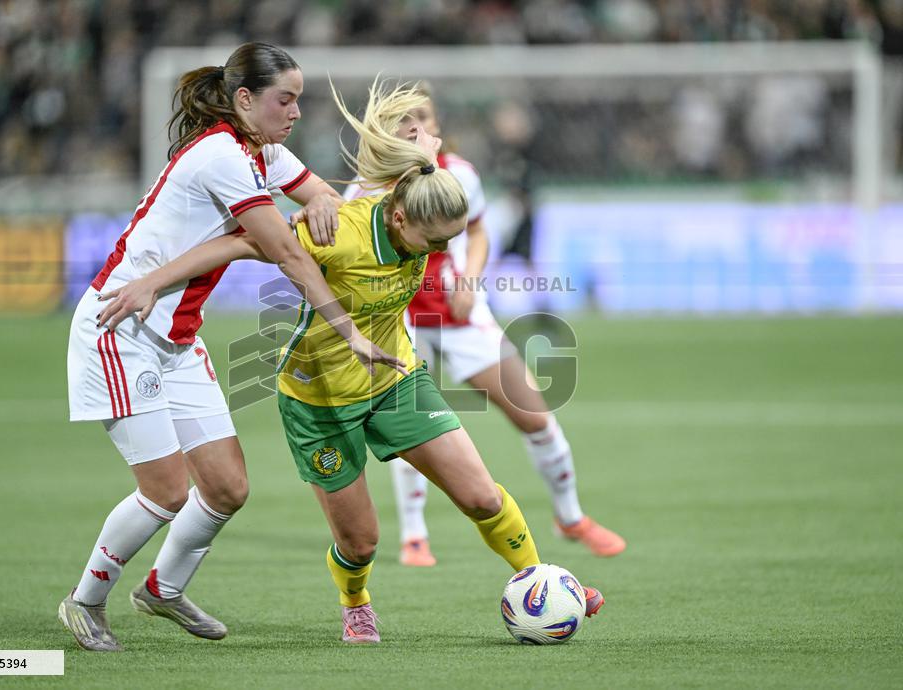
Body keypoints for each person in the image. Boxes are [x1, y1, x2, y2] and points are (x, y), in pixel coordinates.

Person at [97, 79, 606, 644]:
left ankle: (539, 578)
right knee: (361, 542)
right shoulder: (337, 232)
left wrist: (420, 141)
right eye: (432, 244)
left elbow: (426, 179)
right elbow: (243, 243)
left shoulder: (424, 200)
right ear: (397, 220)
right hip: (319, 402)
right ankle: (355, 600)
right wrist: (151, 281)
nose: (437, 255)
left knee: (482, 495)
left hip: (395, 378)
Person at [59, 42, 405, 653]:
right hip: (122, 328)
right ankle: (85, 601)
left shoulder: (262, 151)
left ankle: (163, 589)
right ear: (244, 99)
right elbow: (286, 253)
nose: (295, 112)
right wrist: (348, 330)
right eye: (285, 99)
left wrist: (323, 200)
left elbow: (324, 193)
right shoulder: (221, 156)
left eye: (298, 99)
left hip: (177, 339)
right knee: (166, 491)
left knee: (226, 489)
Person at [344, 84, 626, 566]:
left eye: (425, 119)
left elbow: (477, 231)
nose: (417, 129)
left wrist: (471, 279)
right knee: (414, 427)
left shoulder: (460, 178)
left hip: (458, 315)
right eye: (405, 123)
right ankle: (415, 534)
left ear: (438, 128)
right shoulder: (368, 190)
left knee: (534, 414)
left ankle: (570, 516)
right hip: (399, 322)